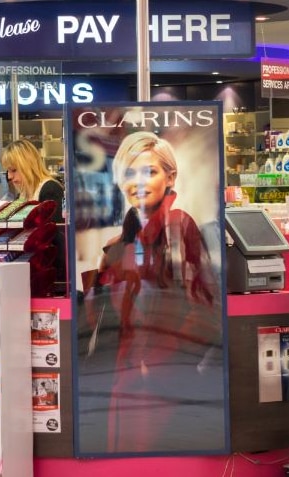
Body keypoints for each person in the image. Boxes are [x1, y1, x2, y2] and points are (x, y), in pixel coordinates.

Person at [85, 131, 221, 452]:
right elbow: (100, 315)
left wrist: (158, 367)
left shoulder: (179, 226)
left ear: (170, 176)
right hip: (122, 378)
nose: (138, 182)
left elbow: (203, 308)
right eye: (130, 173)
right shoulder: (118, 244)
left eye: (150, 171)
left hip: (163, 383)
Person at [0, 138, 66, 285]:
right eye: (8, 171)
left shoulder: (50, 189)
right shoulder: (22, 195)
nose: (10, 177)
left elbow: (55, 239)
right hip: (29, 272)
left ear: (27, 166)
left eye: (14, 170)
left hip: (49, 276)